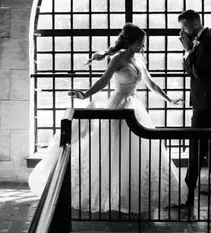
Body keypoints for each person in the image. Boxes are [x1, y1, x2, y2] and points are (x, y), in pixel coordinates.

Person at [28, 23, 188, 214]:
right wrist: (85, 95)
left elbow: (151, 83)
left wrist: (169, 99)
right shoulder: (117, 59)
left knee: (139, 150)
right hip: (118, 106)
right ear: (131, 42)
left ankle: (130, 193)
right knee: (112, 149)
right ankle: (110, 194)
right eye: (140, 43)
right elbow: (103, 81)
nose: (143, 47)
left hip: (135, 108)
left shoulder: (139, 59)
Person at [177, 9, 211, 207]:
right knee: (208, 144)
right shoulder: (196, 41)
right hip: (201, 100)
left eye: (184, 26)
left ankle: (186, 190)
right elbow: (187, 71)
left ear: (195, 24)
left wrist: (190, 51)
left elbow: (199, 71)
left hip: (208, 101)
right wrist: (188, 51)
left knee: (196, 145)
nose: (182, 31)